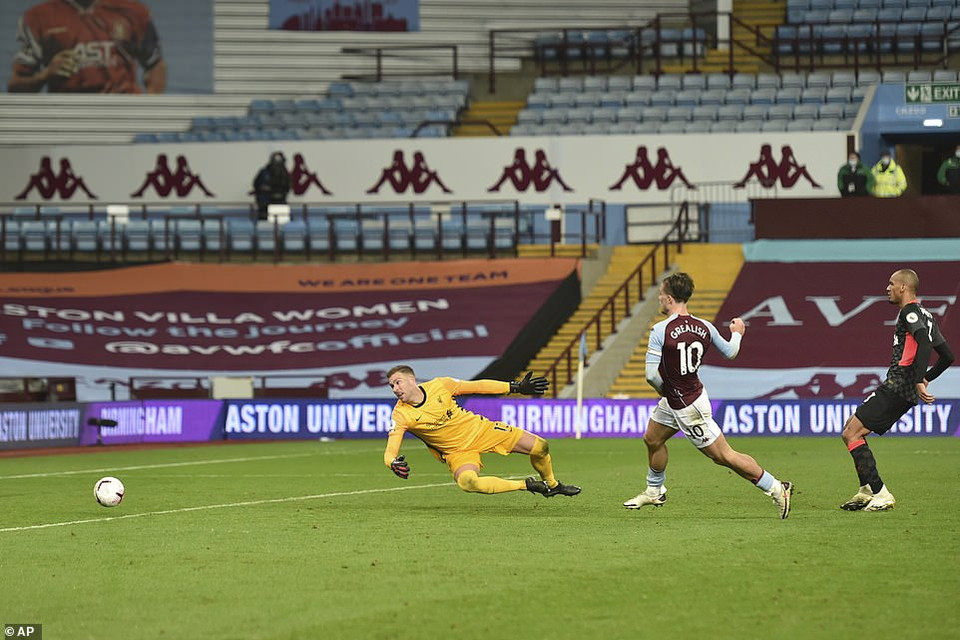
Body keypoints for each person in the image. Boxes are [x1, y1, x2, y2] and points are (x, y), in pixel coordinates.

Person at [623, 272, 794, 519]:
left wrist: (666, 391)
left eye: (661, 294)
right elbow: (731, 352)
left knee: (723, 456)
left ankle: (777, 488)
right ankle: (654, 490)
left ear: (669, 298)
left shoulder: (661, 330)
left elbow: (651, 375)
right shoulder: (705, 327)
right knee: (652, 438)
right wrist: (737, 332)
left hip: (687, 406)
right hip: (685, 396)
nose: (659, 298)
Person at [839, 269, 953, 512]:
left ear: (903, 287)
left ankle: (881, 493)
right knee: (851, 427)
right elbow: (947, 356)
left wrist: (917, 380)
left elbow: (922, 342)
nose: (887, 288)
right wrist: (925, 376)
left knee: (852, 433)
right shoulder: (927, 315)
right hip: (901, 385)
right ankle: (866, 489)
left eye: (891, 284)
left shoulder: (910, 312)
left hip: (899, 384)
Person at [384, 366, 581, 498]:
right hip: (457, 452)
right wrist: (392, 462)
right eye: (392, 385)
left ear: (412, 379)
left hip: (482, 430)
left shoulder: (440, 385)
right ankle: (528, 485)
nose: (395, 388)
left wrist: (514, 387)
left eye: (398, 382)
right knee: (468, 482)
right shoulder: (401, 415)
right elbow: (390, 450)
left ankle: (552, 485)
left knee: (541, 446)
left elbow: (477, 386)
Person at [8, 0, 166, 94]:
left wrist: (149, 106)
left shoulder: (134, 12)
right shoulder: (38, 18)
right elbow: (15, 85)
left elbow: (155, 66)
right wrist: (45, 75)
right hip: (69, 114)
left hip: (123, 110)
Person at [252, 151, 291, 219]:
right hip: (264, 203)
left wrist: (276, 191)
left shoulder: (285, 173)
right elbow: (256, 184)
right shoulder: (264, 172)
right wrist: (263, 189)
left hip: (280, 202)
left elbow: (287, 187)